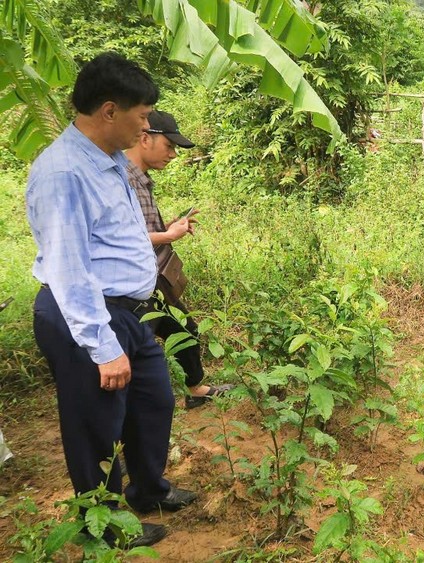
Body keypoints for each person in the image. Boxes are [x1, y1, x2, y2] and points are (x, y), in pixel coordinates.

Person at [27, 52, 198, 548]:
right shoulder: (64, 173)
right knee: (95, 426)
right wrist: (101, 346)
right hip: (87, 314)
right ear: (109, 111)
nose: (146, 127)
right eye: (141, 117)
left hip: (129, 312)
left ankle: (148, 489)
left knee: (154, 402)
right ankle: (104, 525)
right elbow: (68, 267)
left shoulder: (109, 162)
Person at [125, 110, 232, 408]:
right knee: (138, 351)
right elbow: (121, 239)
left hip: (151, 278)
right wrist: (167, 236)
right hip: (132, 285)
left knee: (184, 328)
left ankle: (195, 390)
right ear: (145, 138)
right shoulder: (123, 180)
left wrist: (168, 228)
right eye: (169, 146)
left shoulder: (141, 179)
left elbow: (141, 229)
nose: (172, 154)